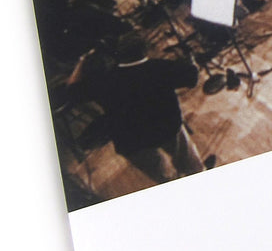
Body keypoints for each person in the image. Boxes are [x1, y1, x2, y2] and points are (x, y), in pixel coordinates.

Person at [78, 32, 205, 186]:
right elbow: (193, 77)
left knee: (164, 177)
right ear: (145, 51)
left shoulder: (106, 81)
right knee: (188, 158)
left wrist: (82, 61)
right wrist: (190, 60)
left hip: (132, 142)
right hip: (166, 127)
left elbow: (71, 90)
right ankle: (198, 175)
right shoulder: (158, 67)